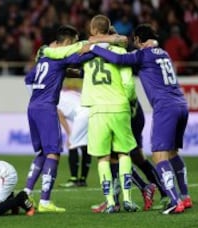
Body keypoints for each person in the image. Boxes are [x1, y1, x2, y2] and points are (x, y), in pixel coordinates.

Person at [87, 24, 192, 214]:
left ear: (137, 40)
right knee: (173, 153)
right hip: (181, 104)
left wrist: (93, 47)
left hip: (165, 107)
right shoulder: (163, 53)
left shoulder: (145, 54)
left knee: (159, 154)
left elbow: (118, 58)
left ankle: (175, 201)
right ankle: (185, 196)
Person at [42, 15, 139, 214]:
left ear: (93, 29)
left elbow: (62, 53)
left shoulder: (86, 47)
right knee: (123, 154)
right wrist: (127, 100)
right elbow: (129, 84)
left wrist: (45, 50)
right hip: (119, 106)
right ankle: (128, 199)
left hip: (95, 110)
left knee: (102, 158)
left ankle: (111, 202)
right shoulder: (120, 50)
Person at [24, 25, 96, 213]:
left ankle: (27, 193)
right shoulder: (61, 58)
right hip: (47, 108)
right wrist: (96, 48)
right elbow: (81, 56)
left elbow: (28, 79)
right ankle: (45, 202)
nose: (74, 44)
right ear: (67, 42)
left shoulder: (43, 59)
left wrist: (39, 95)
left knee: (42, 152)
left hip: (33, 106)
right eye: (74, 41)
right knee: (54, 152)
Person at [57, 88, 92, 188]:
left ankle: (73, 179)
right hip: (91, 113)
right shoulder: (67, 93)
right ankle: (83, 179)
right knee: (85, 146)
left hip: (82, 116)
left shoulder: (53, 98)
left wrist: (69, 135)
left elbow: (60, 116)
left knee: (72, 144)